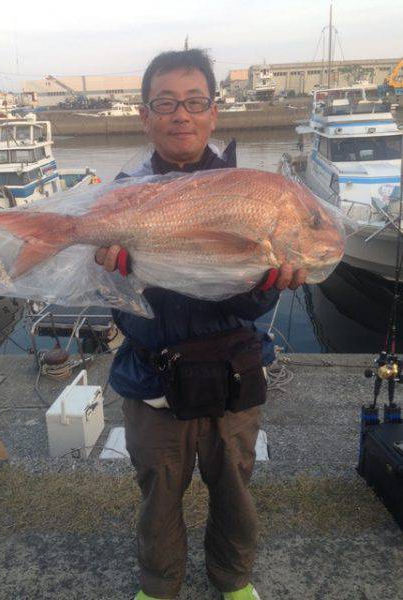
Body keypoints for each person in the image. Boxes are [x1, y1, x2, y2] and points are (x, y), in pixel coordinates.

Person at [95, 49, 306, 600]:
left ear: (214, 114)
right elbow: (119, 310)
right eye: (165, 103)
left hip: (235, 379)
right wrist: (124, 276)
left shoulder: (249, 193)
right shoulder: (121, 198)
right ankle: (158, 586)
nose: (180, 115)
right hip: (153, 383)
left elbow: (254, 312)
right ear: (146, 116)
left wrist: (267, 282)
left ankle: (233, 583)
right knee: (158, 497)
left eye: (194, 102)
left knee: (235, 492)